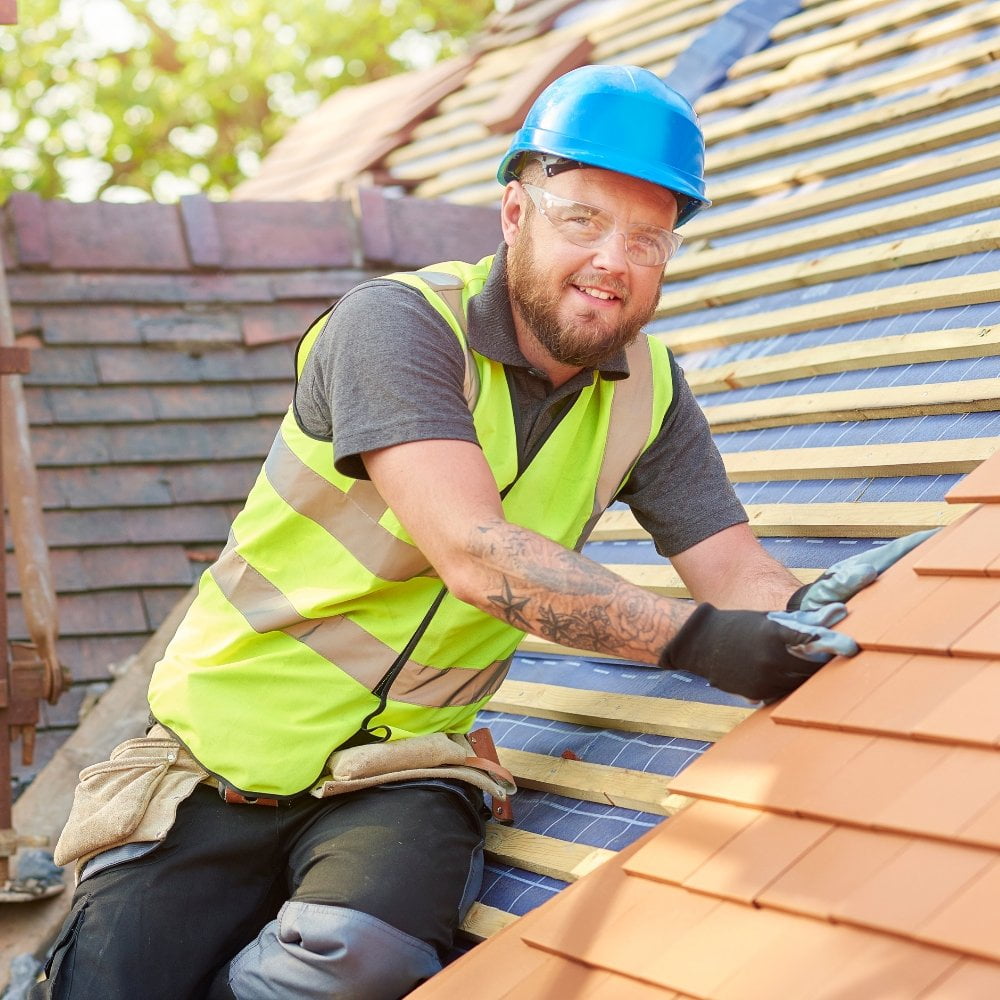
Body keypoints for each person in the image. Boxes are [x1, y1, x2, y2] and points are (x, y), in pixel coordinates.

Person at [34, 65, 927, 1000]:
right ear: (514, 213)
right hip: (214, 760)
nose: (613, 262)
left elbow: (734, 568)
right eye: (582, 219)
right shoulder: (398, 328)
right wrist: (706, 646)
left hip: (404, 765)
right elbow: (472, 552)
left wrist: (803, 615)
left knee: (355, 960)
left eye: (649, 239)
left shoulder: (653, 393)